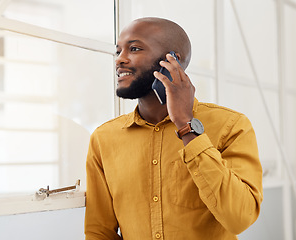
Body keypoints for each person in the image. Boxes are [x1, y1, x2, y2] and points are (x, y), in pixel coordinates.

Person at [84, 17, 263, 240]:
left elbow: (240, 218)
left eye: (134, 48)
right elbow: (99, 232)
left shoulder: (231, 126)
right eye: (118, 50)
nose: (119, 59)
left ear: (172, 60)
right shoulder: (103, 139)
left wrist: (186, 125)